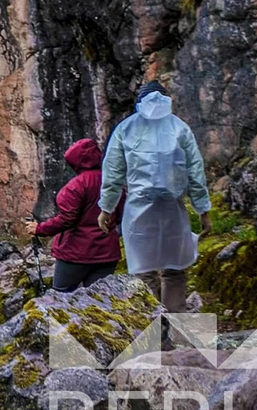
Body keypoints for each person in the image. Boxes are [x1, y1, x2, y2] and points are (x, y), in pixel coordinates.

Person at [98, 81, 212, 313]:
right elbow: (195, 173)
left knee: (144, 271)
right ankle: (177, 321)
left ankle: (155, 330)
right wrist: (203, 210)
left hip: (139, 210)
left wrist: (106, 208)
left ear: (140, 102)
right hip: (173, 209)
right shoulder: (180, 128)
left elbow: (113, 173)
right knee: (174, 269)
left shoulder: (125, 129)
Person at [24, 138, 122, 292]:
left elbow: (66, 219)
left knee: (61, 295)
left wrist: (39, 229)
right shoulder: (113, 183)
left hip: (76, 253)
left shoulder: (76, 186)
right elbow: (121, 213)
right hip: (107, 253)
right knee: (100, 300)